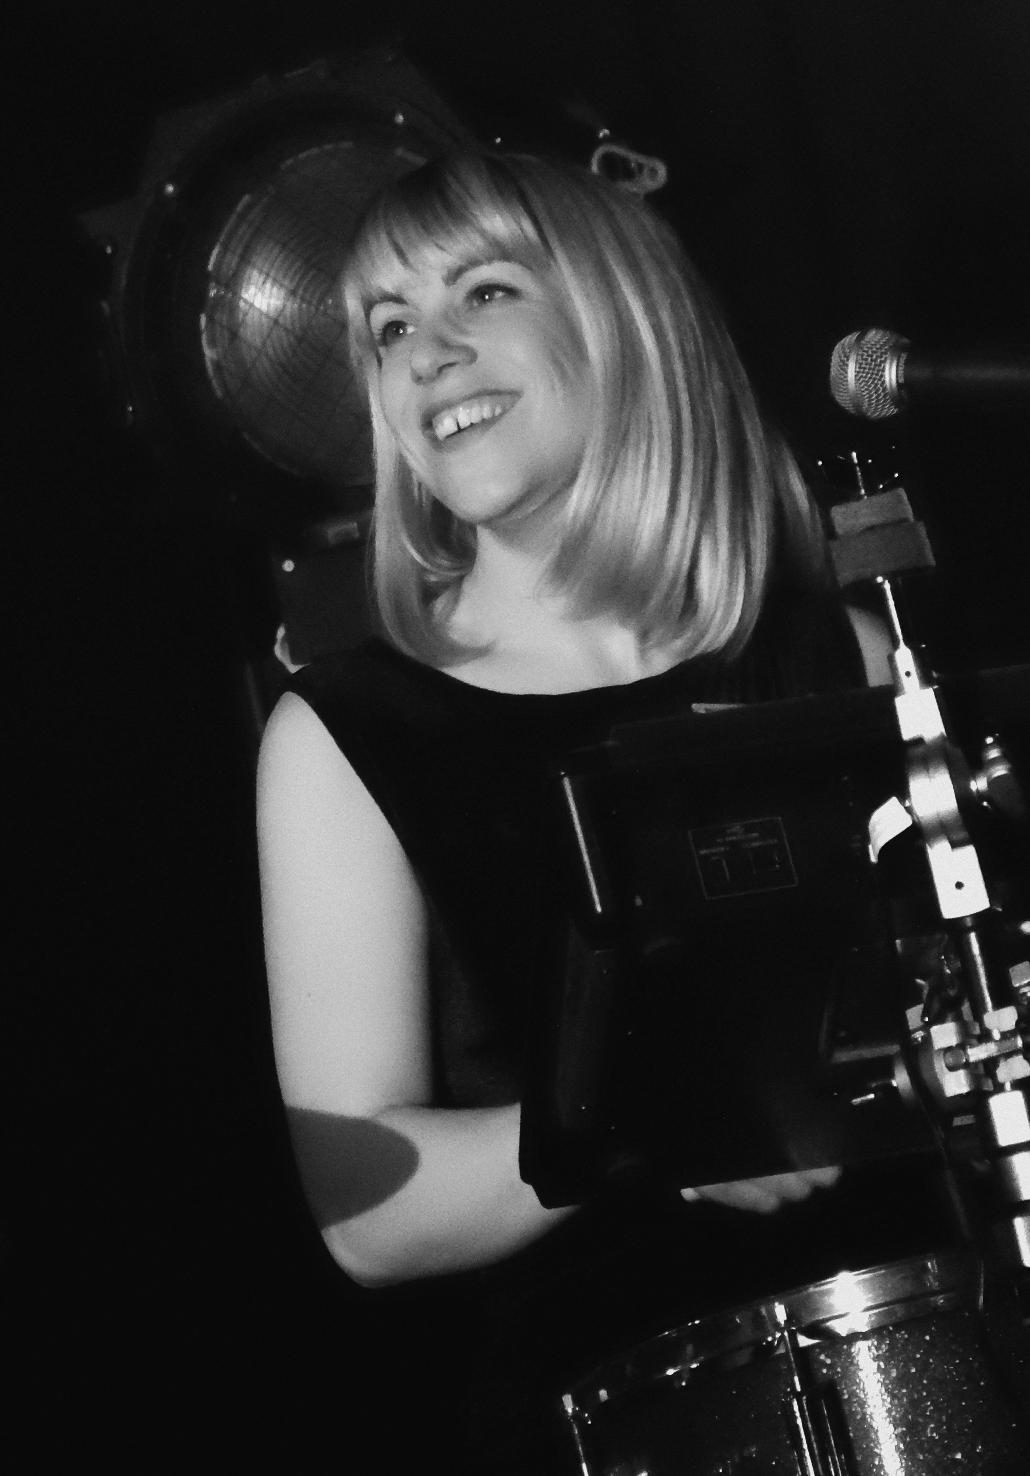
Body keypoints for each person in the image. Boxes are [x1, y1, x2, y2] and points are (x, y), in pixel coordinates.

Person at [254, 150, 932, 1464]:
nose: (428, 353)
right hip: (615, 1410)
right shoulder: (347, 735)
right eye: (389, 327)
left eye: (483, 291)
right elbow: (366, 1215)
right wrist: (664, 1121)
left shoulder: (843, 657)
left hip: (933, 1347)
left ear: (624, 315)